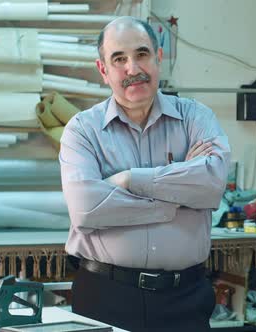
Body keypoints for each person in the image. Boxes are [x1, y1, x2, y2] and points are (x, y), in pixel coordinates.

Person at [59, 16, 230, 332]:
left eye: (141, 54)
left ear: (159, 58)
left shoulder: (197, 118)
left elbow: (211, 186)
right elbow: (85, 208)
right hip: (105, 295)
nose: (132, 69)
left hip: (185, 300)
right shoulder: (82, 130)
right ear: (103, 70)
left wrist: (126, 180)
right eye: (119, 59)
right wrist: (177, 197)